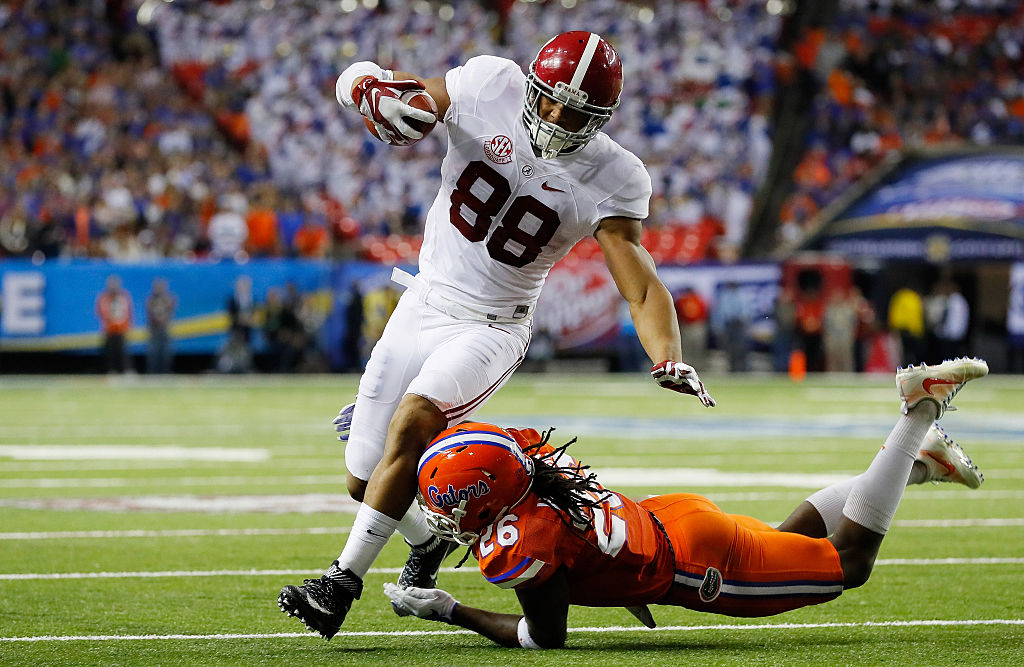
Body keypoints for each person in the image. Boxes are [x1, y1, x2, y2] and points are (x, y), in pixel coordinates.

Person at [278, 32, 716, 639]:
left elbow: (641, 286)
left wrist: (667, 356)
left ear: (604, 118)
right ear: (531, 84)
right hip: (424, 299)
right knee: (363, 478)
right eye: (551, 100)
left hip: (493, 323)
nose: (559, 117)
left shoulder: (615, 174)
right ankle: (426, 543)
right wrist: (370, 89)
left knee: (415, 419)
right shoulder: (491, 84)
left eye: (578, 112)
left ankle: (339, 584)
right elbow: (408, 94)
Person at [384, 356, 988, 649]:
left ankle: (919, 412)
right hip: (670, 515)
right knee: (791, 544)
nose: (442, 515)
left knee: (847, 563)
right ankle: (917, 466)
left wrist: (447, 609)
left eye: (449, 505)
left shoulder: (521, 543)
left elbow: (544, 638)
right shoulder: (528, 459)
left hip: (691, 564)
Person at [95, 274, 133, 374]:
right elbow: (101, 311)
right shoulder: (104, 297)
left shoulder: (123, 296)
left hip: (121, 328)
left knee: (123, 351)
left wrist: (126, 325)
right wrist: (109, 322)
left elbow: (128, 311)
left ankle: (125, 370)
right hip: (109, 328)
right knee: (110, 351)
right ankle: (111, 370)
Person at [145, 278, 177, 374]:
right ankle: (152, 371)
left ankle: (165, 371)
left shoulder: (169, 298)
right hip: (154, 329)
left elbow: (171, 310)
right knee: (153, 351)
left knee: (165, 351)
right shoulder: (151, 299)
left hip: (164, 328)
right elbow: (150, 312)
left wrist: (164, 320)